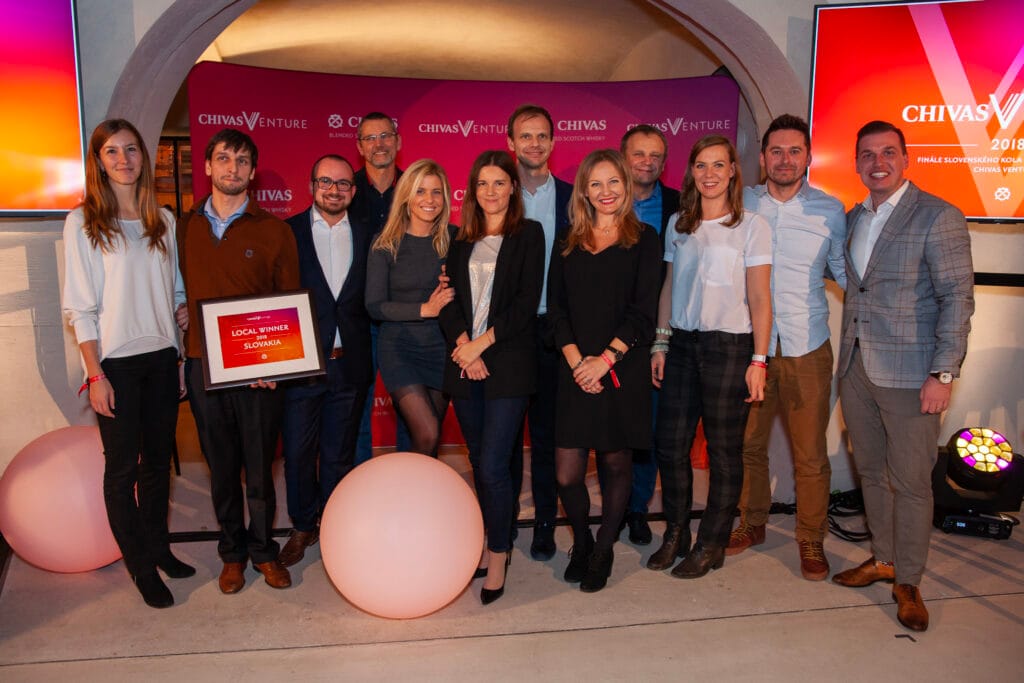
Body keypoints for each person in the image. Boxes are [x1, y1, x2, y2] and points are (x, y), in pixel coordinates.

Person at [832, 120, 973, 632]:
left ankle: (909, 580)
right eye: (868, 154)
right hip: (856, 368)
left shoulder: (938, 215)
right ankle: (884, 559)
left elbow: (957, 298)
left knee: (911, 483)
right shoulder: (853, 218)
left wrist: (943, 372)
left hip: (913, 374)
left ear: (906, 158)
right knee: (871, 473)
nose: (878, 163)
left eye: (888, 152)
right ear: (857, 163)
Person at [62, 118, 193, 608]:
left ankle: (159, 548)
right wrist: (95, 373)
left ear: (144, 157)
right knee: (122, 471)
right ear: (99, 161)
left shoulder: (164, 220)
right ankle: (140, 566)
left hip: (161, 359)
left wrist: (180, 349)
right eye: (112, 151)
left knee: (158, 465)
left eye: (132, 149)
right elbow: (79, 308)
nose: (124, 159)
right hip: (115, 365)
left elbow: (174, 292)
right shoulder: (83, 222)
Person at [179, 128, 299, 594]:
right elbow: (175, 287)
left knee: (260, 468)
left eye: (243, 161)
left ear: (252, 172)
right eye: (224, 158)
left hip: (257, 372)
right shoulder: (183, 227)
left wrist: (276, 365)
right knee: (221, 468)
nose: (233, 168)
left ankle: (264, 551)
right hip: (202, 364)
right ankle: (232, 554)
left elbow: (287, 304)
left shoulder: (275, 231)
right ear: (208, 166)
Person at [726, 114, 846, 582]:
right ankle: (751, 521)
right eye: (776, 151)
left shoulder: (830, 210)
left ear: (808, 157)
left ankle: (811, 537)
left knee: (810, 454)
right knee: (747, 444)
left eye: (795, 151)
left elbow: (844, 270)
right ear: (762, 158)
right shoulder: (741, 202)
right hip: (750, 346)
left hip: (806, 346)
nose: (785, 159)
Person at [648, 134, 772, 579]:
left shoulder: (753, 225)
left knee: (723, 452)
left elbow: (760, 298)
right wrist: (661, 341)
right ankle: (676, 532)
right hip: (681, 344)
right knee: (670, 446)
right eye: (701, 165)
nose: (709, 174)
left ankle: (712, 542)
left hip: (730, 347)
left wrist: (759, 361)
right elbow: (669, 286)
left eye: (719, 165)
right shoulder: (678, 223)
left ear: (733, 170)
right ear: (691, 172)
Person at [547, 149, 661, 593]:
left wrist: (605, 360)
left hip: (621, 369)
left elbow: (643, 312)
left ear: (626, 186)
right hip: (574, 368)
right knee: (566, 473)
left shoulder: (645, 239)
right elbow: (556, 310)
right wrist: (579, 362)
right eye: (596, 183)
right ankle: (582, 541)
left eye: (613, 181)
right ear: (584, 191)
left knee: (616, 464)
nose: (606, 191)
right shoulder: (567, 240)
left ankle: (605, 547)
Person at [440, 150, 545, 604]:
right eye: (482, 183)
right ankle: (490, 537)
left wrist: (481, 345)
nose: (490, 191)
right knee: (480, 460)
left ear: (512, 188)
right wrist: (465, 347)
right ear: (472, 191)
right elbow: (447, 300)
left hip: (509, 361)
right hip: (466, 361)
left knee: (494, 464)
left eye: (499, 182)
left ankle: (499, 552)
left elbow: (524, 304)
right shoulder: (459, 239)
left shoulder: (530, 234)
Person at [278, 154, 374, 567]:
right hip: (301, 366)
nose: (334, 190)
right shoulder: (287, 233)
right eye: (325, 182)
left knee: (339, 453)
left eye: (342, 183)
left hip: (350, 363)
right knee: (299, 454)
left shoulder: (370, 234)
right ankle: (303, 525)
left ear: (353, 190)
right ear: (311, 187)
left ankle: (333, 523)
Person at [505, 103, 573, 561]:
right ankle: (505, 519)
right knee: (508, 433)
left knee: (548, 435)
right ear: (510, 142)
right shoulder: (495, 194)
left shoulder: (573, 197)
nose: (534, 143)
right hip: (508, 332)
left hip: (555, 329)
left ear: (553, 141)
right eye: (525, 136)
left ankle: (546, 522)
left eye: (542, 135)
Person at [365, 159, 455, 458]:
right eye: (420, 191)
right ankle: (405, 484)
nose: (429, 199)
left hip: (442, 349)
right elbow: (375, 306)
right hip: (400, 349)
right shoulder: (385, 244)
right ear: (406, 196)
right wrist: (425, 309)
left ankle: (418, 488)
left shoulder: (454, 239)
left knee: (431, 439)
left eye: (436, 192)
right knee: (427, 432)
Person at [618, 124, 681, 545]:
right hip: (605, 335)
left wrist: (662, 336)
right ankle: (614, 505)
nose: (647, 162)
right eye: (639, 154)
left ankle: (637, 508)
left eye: (655, 155)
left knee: (650, 429)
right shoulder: (602, 199)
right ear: (623, 157)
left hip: (656, 334)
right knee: (611, 430)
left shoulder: (680, 205)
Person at [351, 112, 410, 463]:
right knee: (358, 407)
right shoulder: (346, 189)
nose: (379, 144)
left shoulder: (415, 188)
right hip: (359, 316)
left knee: (410, 406)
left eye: (385, 136)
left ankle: (409, 477)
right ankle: (360, 480)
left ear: (398, 141)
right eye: (370, 138)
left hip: (405, 316)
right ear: (360, 147)